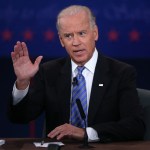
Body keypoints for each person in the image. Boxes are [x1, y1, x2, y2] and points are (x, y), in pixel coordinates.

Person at [8, 5, 145, 142]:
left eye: (82, 33)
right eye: (68, 36)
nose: (76, 42)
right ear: (61, 41)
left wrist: (86, 133)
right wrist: (23, 82)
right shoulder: (49, 72)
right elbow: (20, 117)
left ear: (95, 33)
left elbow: (135, 126)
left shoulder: (121, 73)